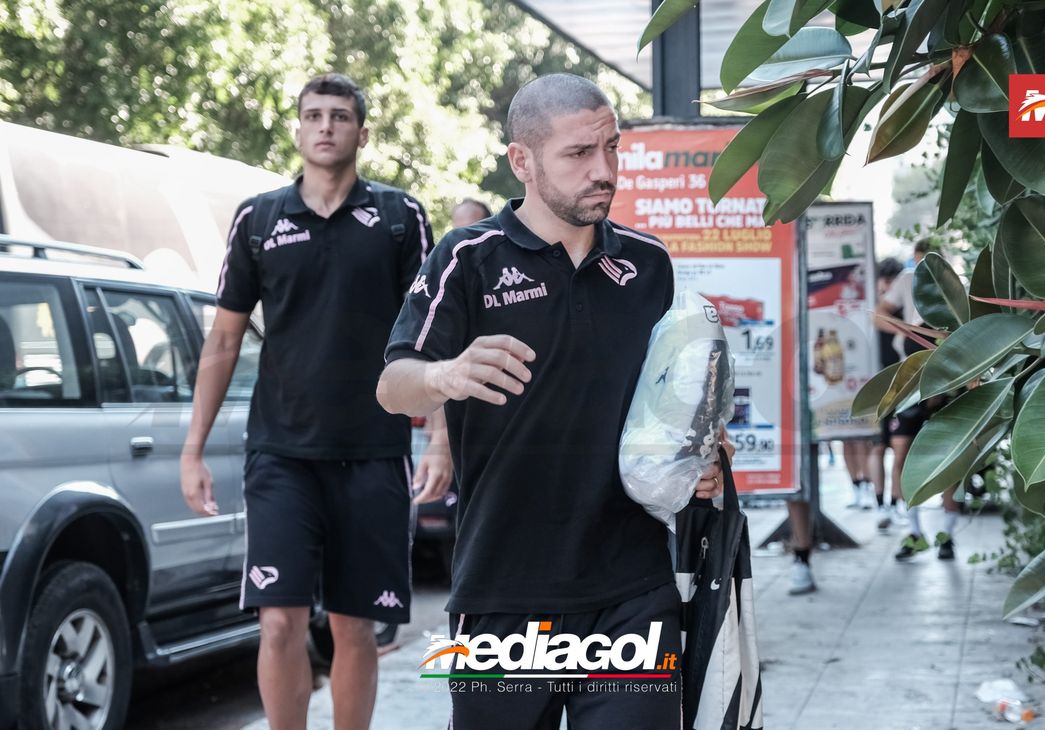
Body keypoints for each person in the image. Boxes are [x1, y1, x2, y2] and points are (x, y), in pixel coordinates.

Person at [377, 73, 726, 729]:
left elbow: (668, 408)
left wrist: (699, 456)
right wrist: (446, 375)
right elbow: (393, 386)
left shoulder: (649, 264)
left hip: (633, 588)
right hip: (502, 592)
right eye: (578, 154)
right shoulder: (468, 258)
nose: (604, 171)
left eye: (612, 148)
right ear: (523, 160)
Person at [180, 73, 451, 729]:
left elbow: (431, 333)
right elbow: (222, 340)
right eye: (312, 115)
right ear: (298, 130)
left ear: (362, 131)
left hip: (373, 451)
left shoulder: (397, 217)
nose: (325, 125)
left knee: (356, 629)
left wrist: (439, 436)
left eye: (339, 115)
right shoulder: (260, 218)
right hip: (281, 453)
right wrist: (192, 451)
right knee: (279, 622)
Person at [875, 240, 958, 560]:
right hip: (911, 380)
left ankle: (947, 536)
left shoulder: (956, 287)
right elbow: (879, 315)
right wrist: (913, 333)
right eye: (920, 261)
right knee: (901, 454)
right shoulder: (908, 280)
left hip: (949, 381)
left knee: (948, 459)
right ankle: (914, 532)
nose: (926, 267)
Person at [871, 257, 905, 529]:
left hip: (903, 383)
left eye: (892, 281)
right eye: (885, 281)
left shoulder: (906, 309)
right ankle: (879, 503)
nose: (889, 286)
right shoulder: (876, 310)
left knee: (900, 447)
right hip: (877, 385)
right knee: (878, 446)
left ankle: (896, 503)